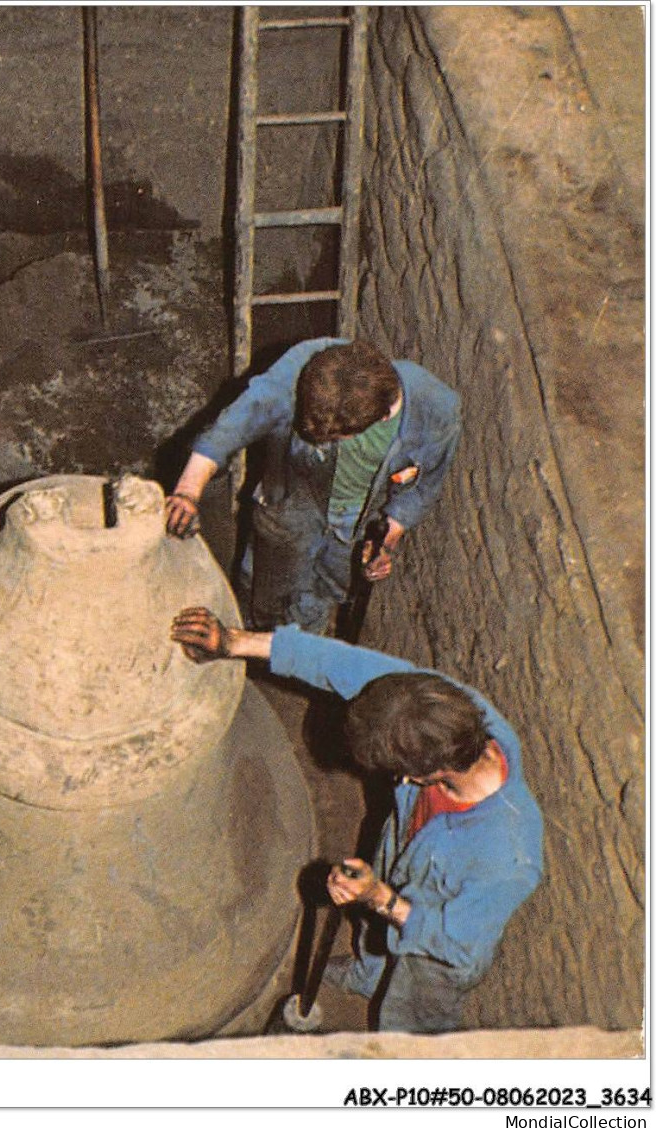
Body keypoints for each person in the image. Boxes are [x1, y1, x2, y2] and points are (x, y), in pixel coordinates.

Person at [169, 606, 543, 1033]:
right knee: (376, 929)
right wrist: (234, 642)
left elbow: (456, 944)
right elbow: (340, 664)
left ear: (418, 775)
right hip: (406, 852)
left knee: (412, 1014)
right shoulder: (436, 707)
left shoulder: (509, 856)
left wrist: (380, 898)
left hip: (436, 951)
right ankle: (369, 977)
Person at [163, 338, 461, 633]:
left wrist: (388, 537)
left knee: (330, 589)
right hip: (296, 496)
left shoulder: (436, 411)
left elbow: (425, 485)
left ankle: (298, 646)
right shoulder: (308, 362)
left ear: (381, 417)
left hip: (359, 521)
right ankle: (250, 632)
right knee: (265, 583)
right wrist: (188, 491)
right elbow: (242, 416)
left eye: (334, 439)